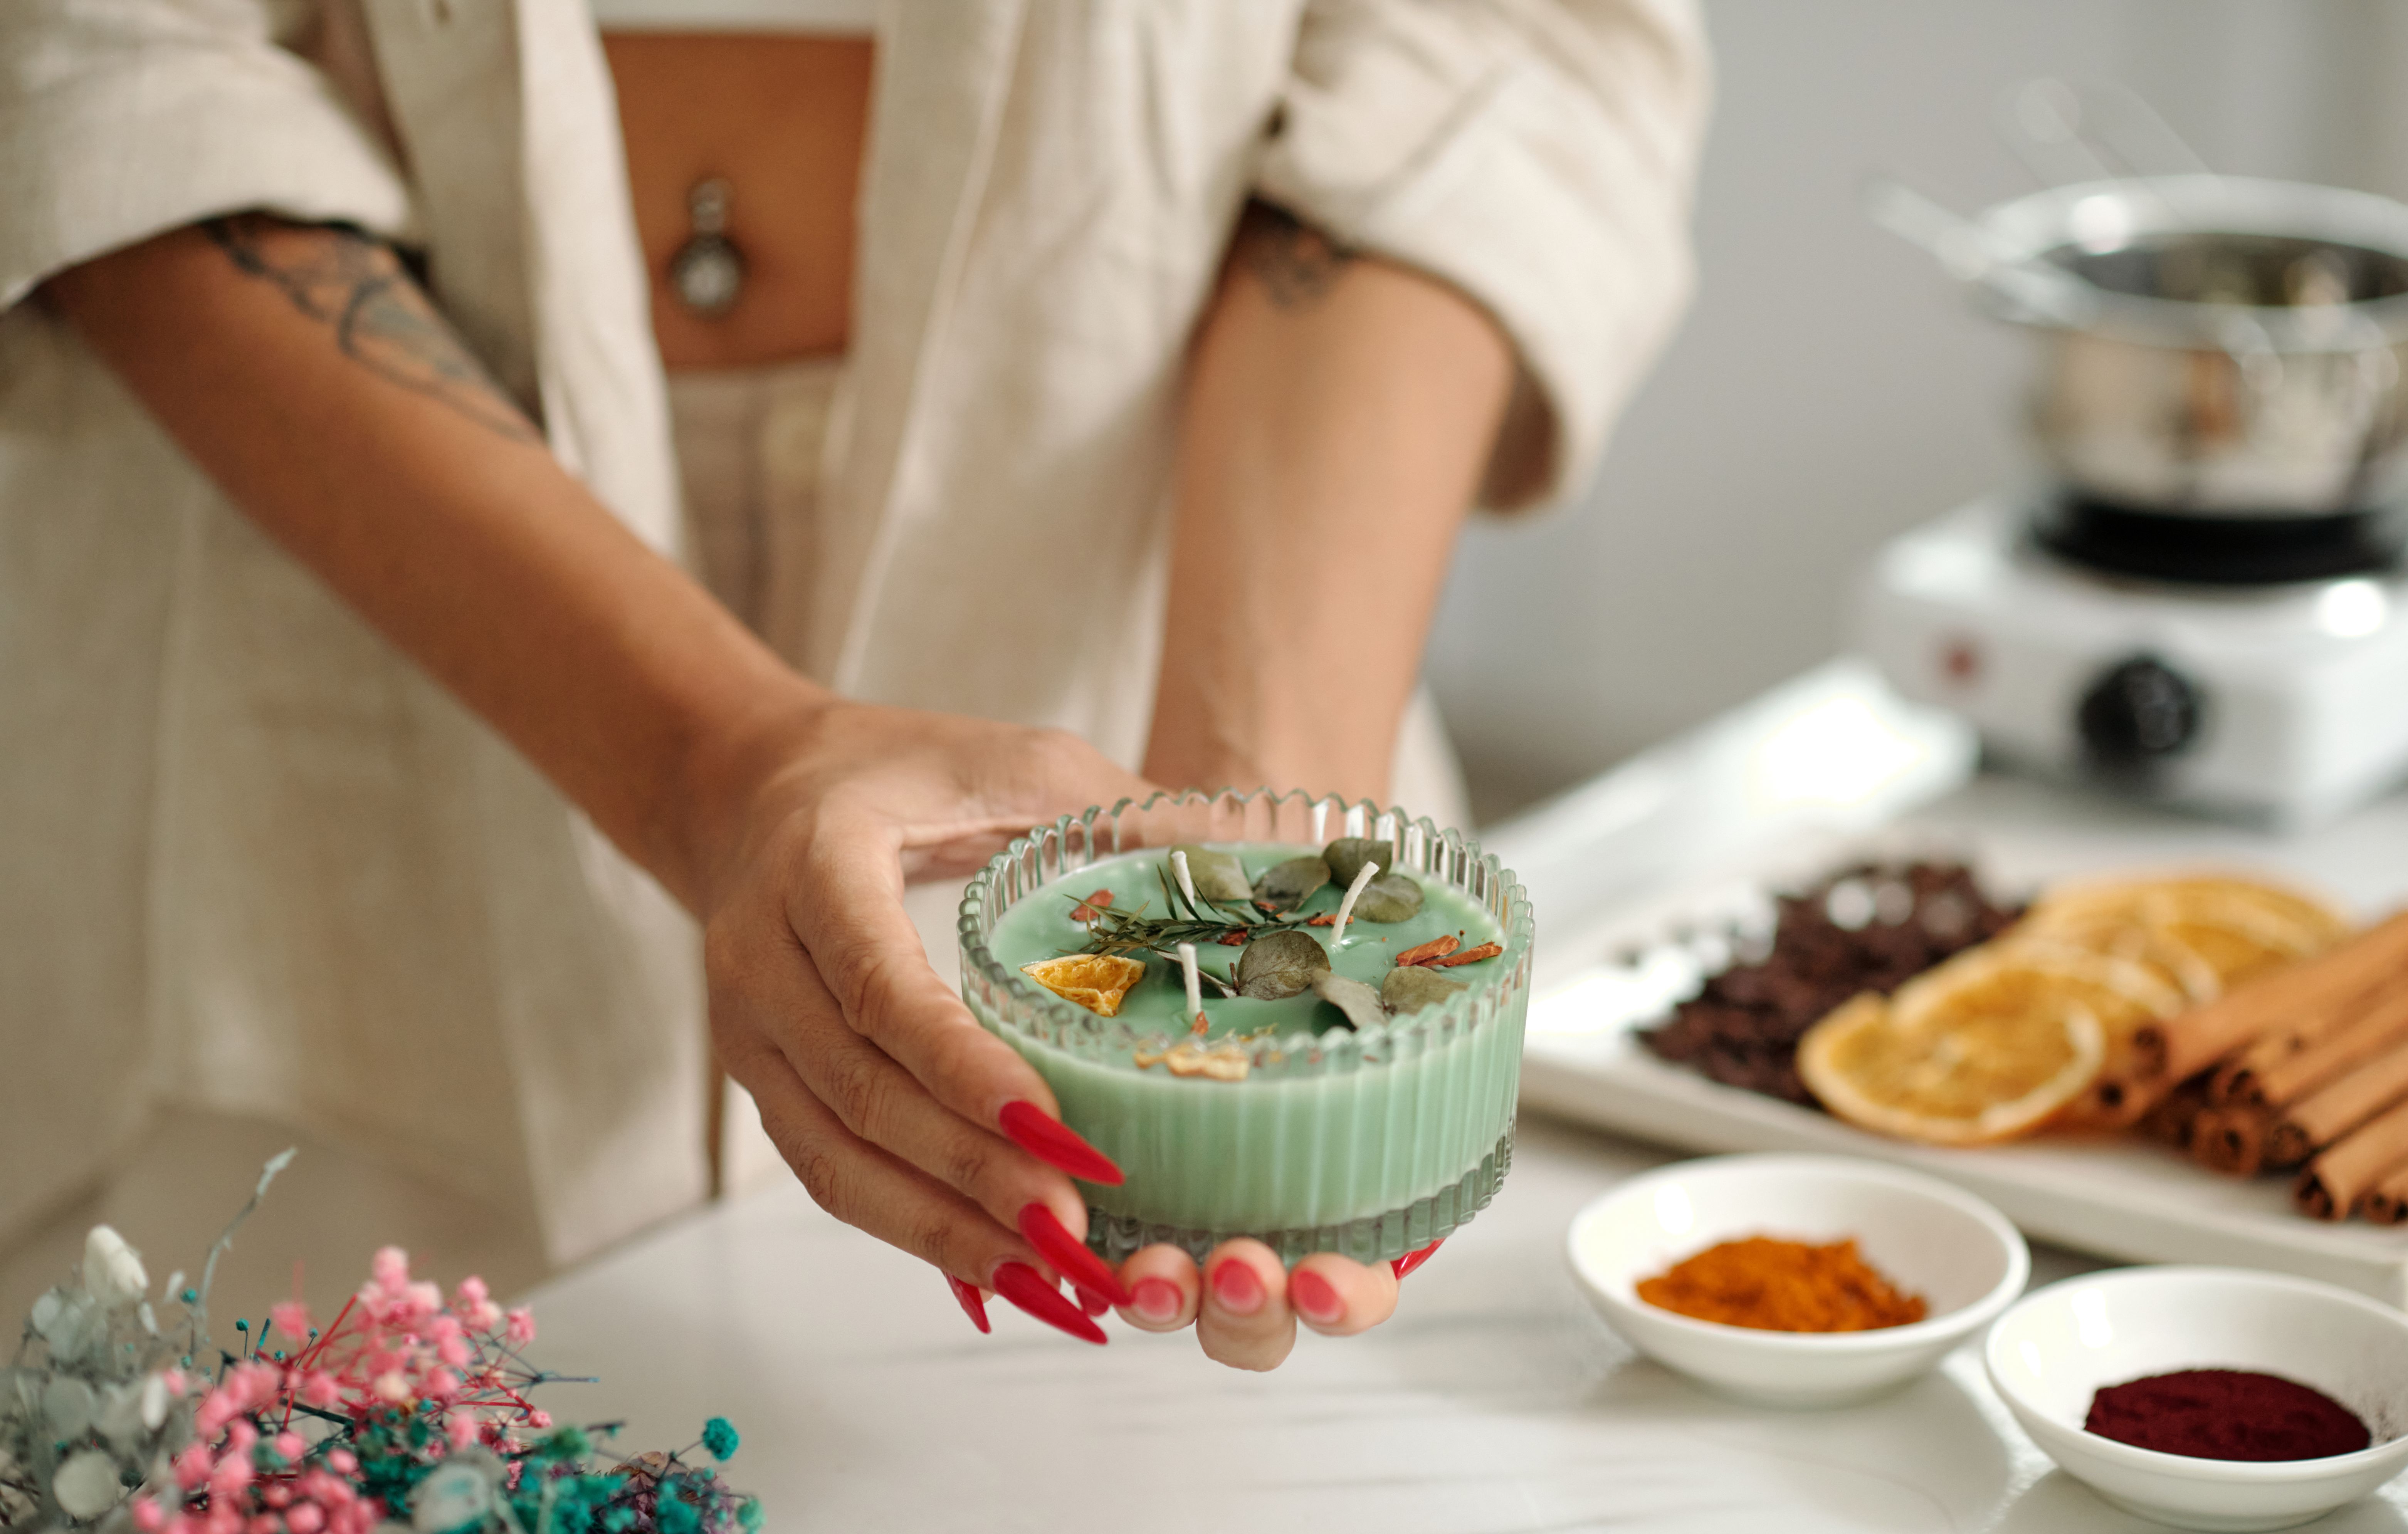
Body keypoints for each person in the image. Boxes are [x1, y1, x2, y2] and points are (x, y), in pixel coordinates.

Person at [0, 1, 1707, 1369]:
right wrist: (708, 761)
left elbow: (1494, 54)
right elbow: (108, 66)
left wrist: (1265, 819)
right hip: (354, 659)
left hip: (1154, 564)